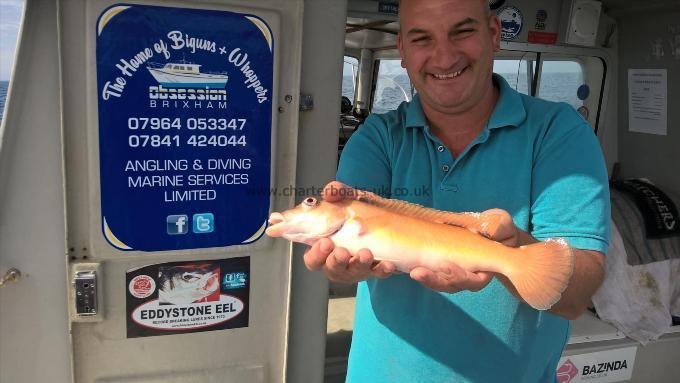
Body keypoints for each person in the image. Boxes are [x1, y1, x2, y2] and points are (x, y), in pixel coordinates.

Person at [304, 0, 610, 381]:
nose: (444, 56)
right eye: (422, 38)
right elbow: (356, 245)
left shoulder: (558, 132)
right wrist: (344, 268)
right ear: (402, 51)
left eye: (462, 31)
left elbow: (577, 292)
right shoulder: (377, 138)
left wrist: (511, 254)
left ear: (494, 34)